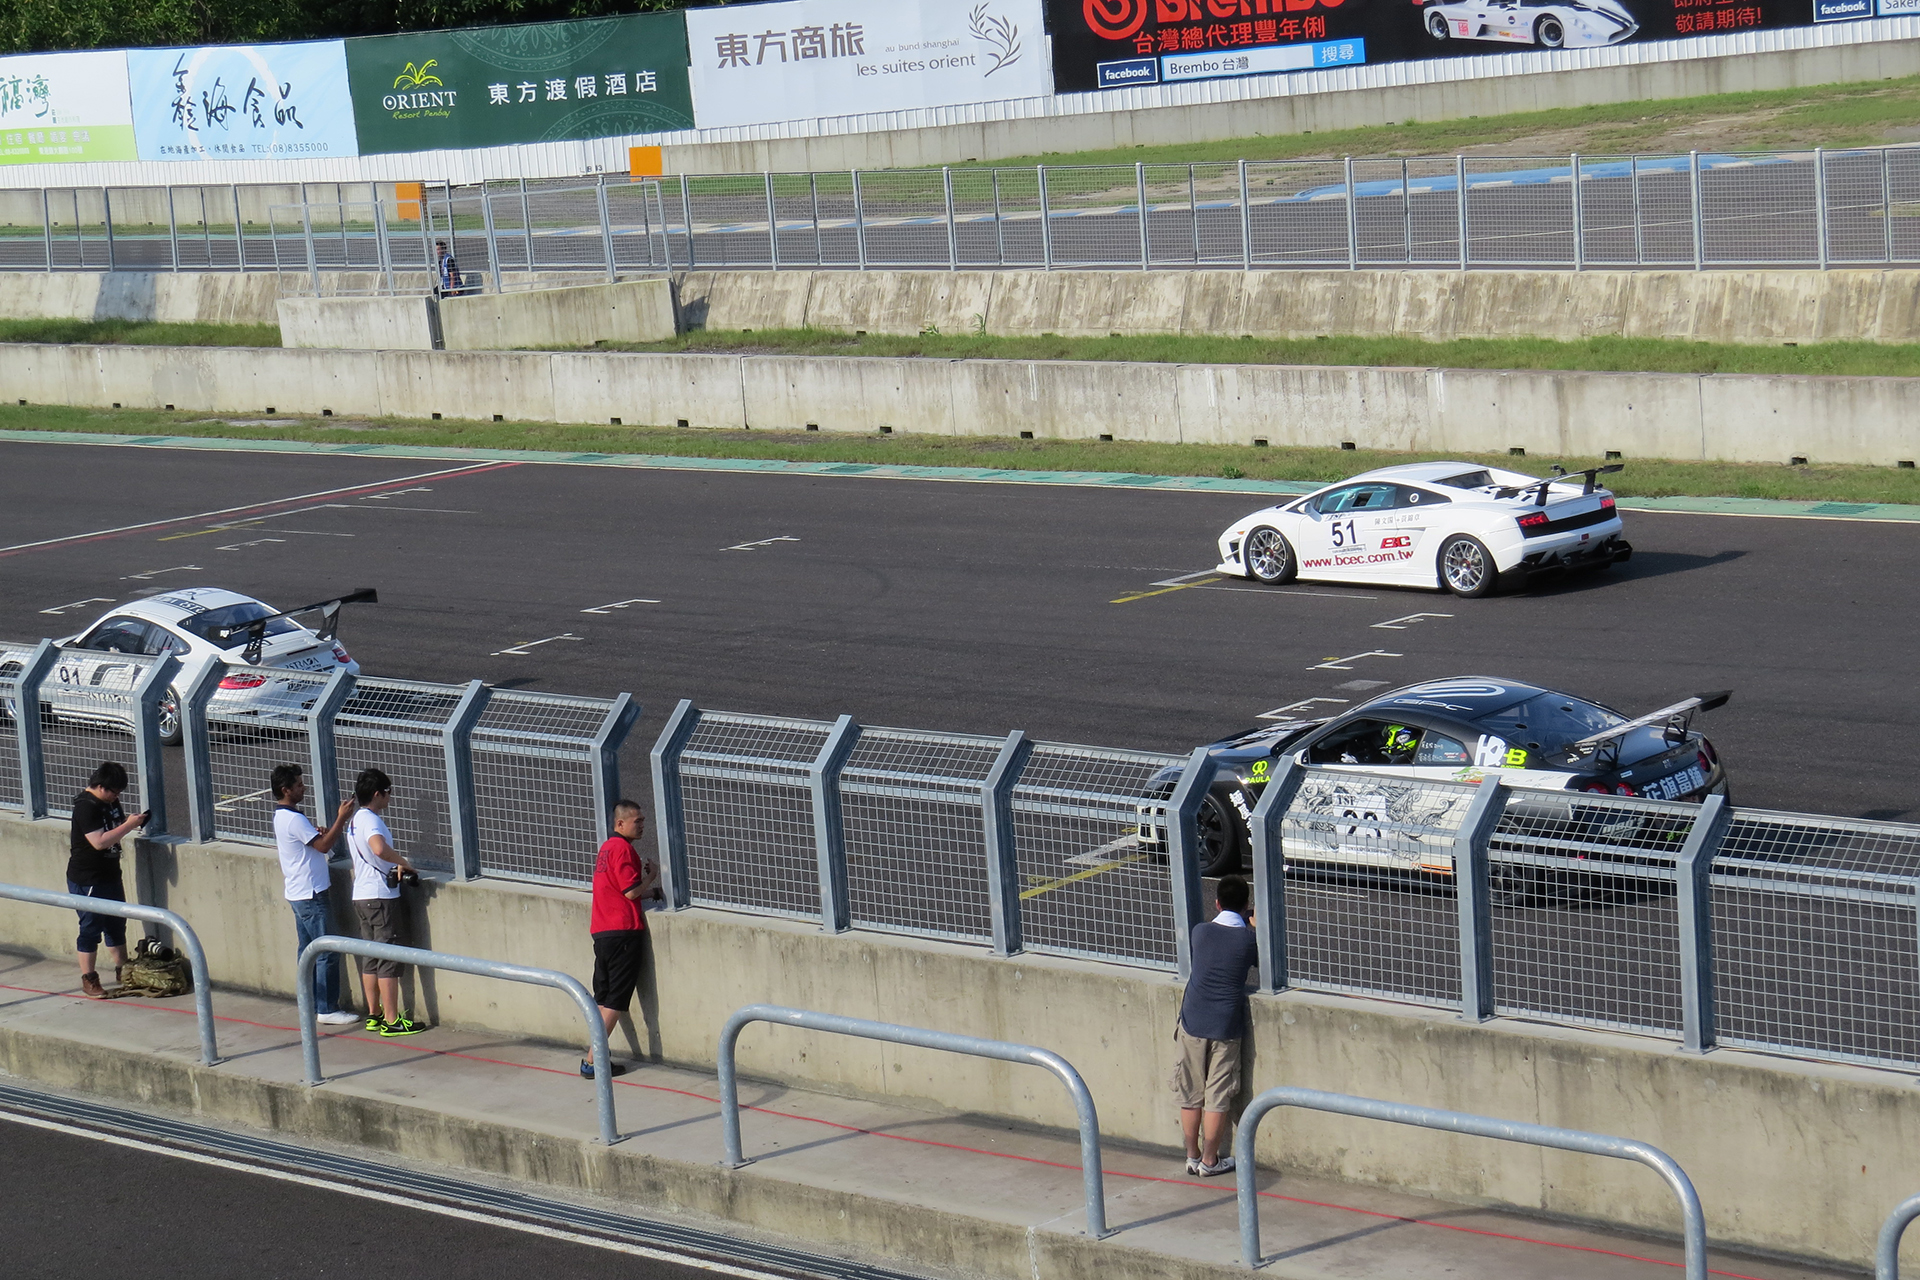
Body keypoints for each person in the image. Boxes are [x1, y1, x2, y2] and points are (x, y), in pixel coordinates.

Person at [1171, 874, 1260, 1176]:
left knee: (1190, 1092)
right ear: (1246, 906)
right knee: (1217, 1095)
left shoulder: (1200, 932)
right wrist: (1254, 927)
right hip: (1225, 1025)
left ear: (1217, 903)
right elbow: (1260, 957)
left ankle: (1192, 1155)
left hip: (1192, 1019)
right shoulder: (1247, 941)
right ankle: (1211, 1160)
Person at [270, 764, 360, 1026]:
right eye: (298, 785)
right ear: (286, 790)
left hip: (299, 893)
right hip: (311, 895)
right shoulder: (294, 819)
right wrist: (341, 819)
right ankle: (327, 1008)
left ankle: (309, 1003)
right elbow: (323, 845)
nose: (304, 787)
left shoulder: (284, 816)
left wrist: (319, 832)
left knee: (307, 951)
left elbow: (312, 843)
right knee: (327, 951)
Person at [345, 767, 424, 1037]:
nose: (390, 797)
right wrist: (403, 862)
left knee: (370, 956)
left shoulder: (356, 819)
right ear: (377, 794)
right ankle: (392, 1020)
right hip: (381, 897)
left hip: (361, 895)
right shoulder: (372, 820)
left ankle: (374, 1014)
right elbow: (378, 848)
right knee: (388, 958)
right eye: (388, 792)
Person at [584, 800, 658, 1080]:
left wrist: (651, 893)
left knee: (603, 999)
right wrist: (651, 877)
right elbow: (630, 892)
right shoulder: (624, 850)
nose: (642, 825)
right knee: (615, 1001)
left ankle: (593, 1057)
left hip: (602, 932)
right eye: (637, 821)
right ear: (620, 823)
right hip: (623, 933)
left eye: (642, 820)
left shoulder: (607, 848)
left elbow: (620, 891)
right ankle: (592, 1062)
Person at [68, 761, 147, 1000]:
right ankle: (89, 978)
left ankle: (123, 970)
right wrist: (129, 825)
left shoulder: (110, 803)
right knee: (90, 928)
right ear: (101, 787)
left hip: (110, 873)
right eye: (114, 792)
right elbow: (99, 842)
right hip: (88, 877)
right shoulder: (86, 806)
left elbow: (115, 830)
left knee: (116, 924)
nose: (117, 797)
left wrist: (133, 823)